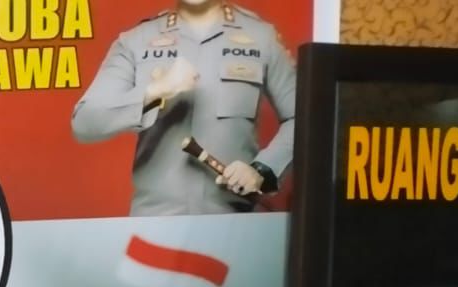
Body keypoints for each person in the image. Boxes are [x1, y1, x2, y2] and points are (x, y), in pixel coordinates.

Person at [71, 1, 296, 216]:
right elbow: (84, 121)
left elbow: (302, 118)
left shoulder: (261, 37)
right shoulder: (136, 41)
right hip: (154, 223)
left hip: (234, 223)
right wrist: (156, 90)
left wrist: (262, 170)